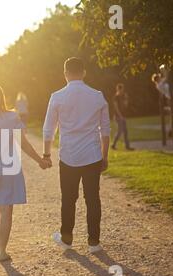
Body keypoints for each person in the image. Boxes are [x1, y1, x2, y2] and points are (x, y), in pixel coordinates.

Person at [0, 84, 48, 261]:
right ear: (1, 98)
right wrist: (40, 161)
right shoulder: (11, 117)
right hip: (9, 168)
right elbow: (24, 144)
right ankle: (3, 250)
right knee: (7, 210)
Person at [42, 57, 111, 254]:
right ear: (84, 72)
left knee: (68, 198)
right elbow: (105, 130)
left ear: (65, 74)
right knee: (93, 199)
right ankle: (94, 242)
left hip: (68, 156)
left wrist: (47, 154)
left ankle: (66, 239)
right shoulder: (97, 96)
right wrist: (104, 156)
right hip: (92, 155)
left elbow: (49, 129)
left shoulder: (57, 97)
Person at [111, 83, 134, 150]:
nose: (122, 91)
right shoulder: (115, 97)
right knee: (120, 131)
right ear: (118, 89)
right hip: (118, 117)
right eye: (121, 90)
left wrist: (126, 99)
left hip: (123, 116)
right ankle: (113, 145)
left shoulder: (123, 96)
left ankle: (127, 146)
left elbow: (125, 106)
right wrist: (120, 116)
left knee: (125, 131)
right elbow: (116, 108)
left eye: (123, 90)